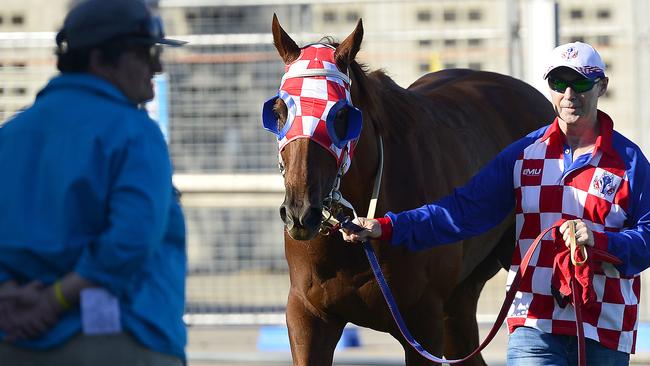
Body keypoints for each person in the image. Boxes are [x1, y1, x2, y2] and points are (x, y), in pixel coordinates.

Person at [342, 41, 650, 365]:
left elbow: (646, 238)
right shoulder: (523, 153)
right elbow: (462, 212)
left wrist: (600, 241)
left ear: (601, 86)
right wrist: (387, 226)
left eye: (581, 83)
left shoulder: (629, 162)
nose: (569, 94)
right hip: (534, 327)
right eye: (559, 83)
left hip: (603, 330)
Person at [0, 0, 187, 365]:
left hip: (13, 338)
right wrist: (55, 300)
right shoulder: (135, 133)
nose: (157, 66)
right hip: (125, 340)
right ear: (100, 60)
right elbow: (130, 241)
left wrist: (8, 294)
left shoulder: (10, 137)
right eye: (145, 54)